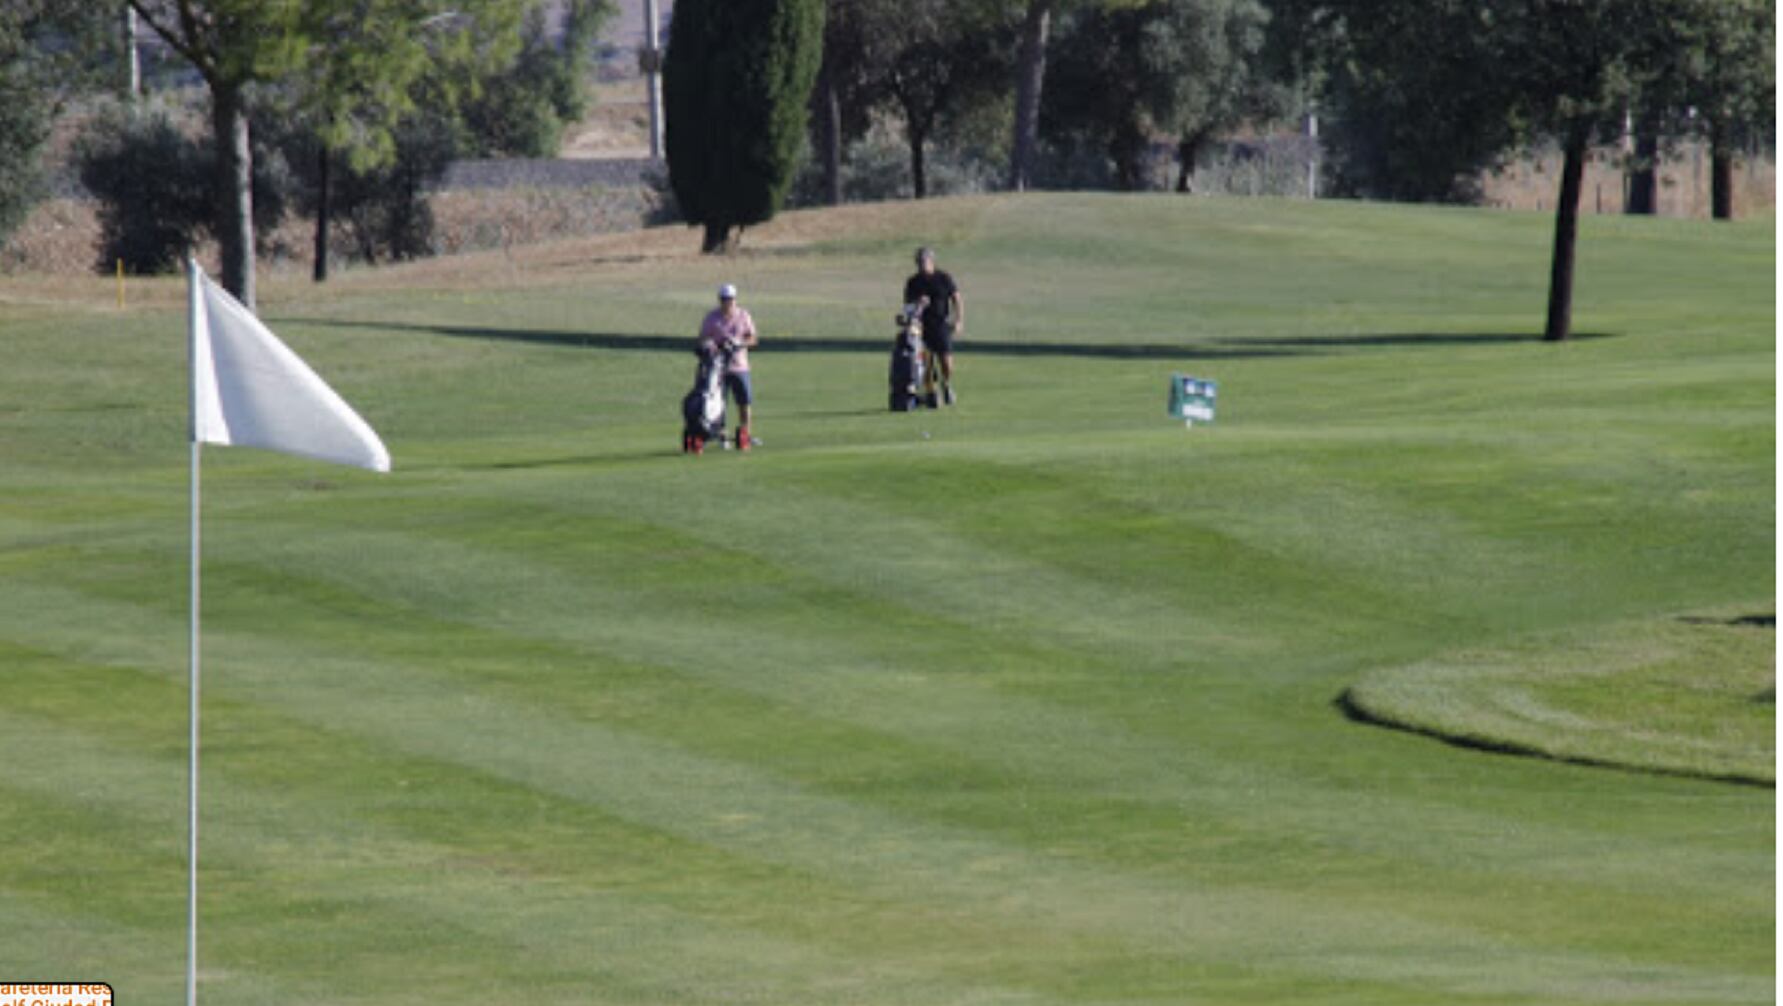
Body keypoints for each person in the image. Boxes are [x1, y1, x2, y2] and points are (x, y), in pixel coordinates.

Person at [698, 283, 760, 450]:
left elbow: (753, 339)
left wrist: (739, 342)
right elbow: (703, 338)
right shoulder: (712, 317)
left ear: (735, 299)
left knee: (744, 402)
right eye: (725, 299)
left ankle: (745, 433)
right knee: (720, 403)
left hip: (740, 366)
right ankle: (722, 436)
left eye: (730, 299)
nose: (728, 302)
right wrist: (711, 345)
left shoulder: (743, 315)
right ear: (720, 300)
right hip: (719, 367)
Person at [902, 246, 963, 405]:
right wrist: (917, 305)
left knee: (946, 363)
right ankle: (932, 392)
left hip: (941, 324)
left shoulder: (944, 278)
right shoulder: (913, 282)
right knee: (926, 362)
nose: (921, 265)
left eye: (923, 261)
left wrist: (958, 320)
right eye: (918, 262)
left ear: (931, 261)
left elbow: (956, 299)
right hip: (921, 327)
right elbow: (907, 306)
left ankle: (946, 383)